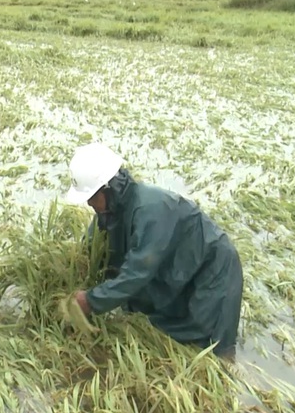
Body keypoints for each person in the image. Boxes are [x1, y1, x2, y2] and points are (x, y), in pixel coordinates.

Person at [63, 142, 242, 362]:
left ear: (110, 187)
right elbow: (91, 247)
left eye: (92, 197)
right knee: (165, 334)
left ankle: (225, 388)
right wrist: (74, 269)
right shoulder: (110, 211)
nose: (89, 203)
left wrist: (90, 301)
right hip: (179, 268)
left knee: (210, 349)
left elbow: (136, 274)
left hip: (212, 271)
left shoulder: (151, 211)